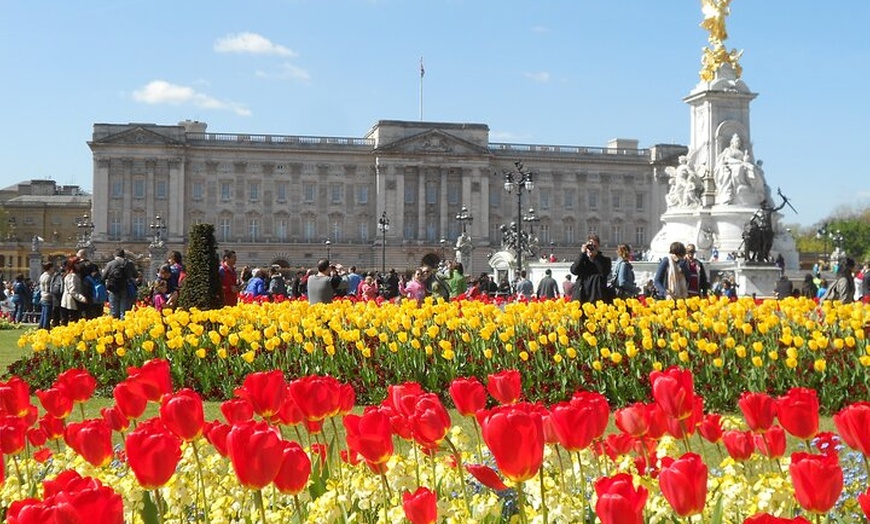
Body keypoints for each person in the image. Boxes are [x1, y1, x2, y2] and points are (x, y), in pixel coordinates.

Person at [570, 233, 612, 303]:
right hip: (581, 295)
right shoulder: (582, 259)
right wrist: (582, 254)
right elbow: (574, 270)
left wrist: (595, 257)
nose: (592, 248)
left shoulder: (605, 260)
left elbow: (604, 273)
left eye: (594, 246)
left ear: (598, 246)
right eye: (590, 246)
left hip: (597, 295)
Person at [102, 248, 137, 320]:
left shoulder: (110, 264)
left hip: (113, 289)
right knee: (124, 312)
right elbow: (135, 275)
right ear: (123, 255)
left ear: (115, 255)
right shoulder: (129, 263)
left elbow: (103, 277)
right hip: (126, 288)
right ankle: (123, 328)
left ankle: (115, 329)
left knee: (114, 311)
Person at [60, 258, 89, 325]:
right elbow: (72, 291)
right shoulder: (72, 276)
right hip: (71, 301)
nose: (79, 265)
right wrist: (82, 298)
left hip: (72, 300)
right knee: (73, 320)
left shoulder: (74, 275)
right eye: (77, 263)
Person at [37, 262, 55, 330]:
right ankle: (45, 328)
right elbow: (49, 289)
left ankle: (41, 326)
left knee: (43, 314)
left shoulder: (42, 275)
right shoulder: (48, 277)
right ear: (50, 268)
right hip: (48, 297)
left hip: (43, 296)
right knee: (47, 315)